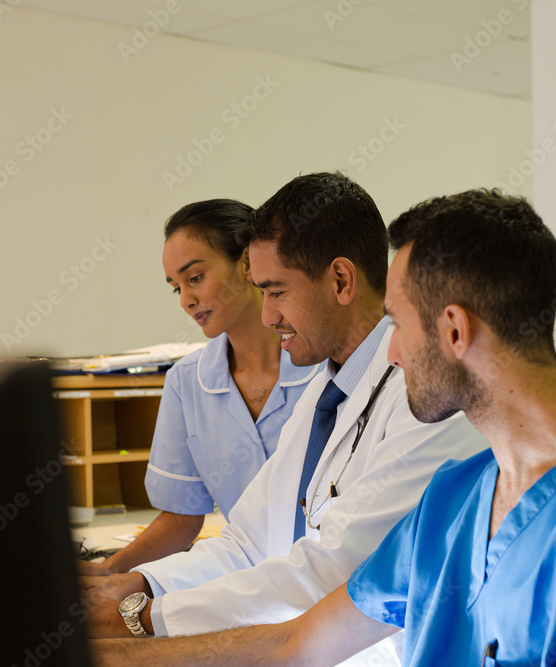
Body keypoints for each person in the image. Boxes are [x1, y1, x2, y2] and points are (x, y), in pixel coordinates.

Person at [89, 189, 556, 666]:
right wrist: (111, 648)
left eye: (399, 324)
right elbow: (299, 642)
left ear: (454, 330)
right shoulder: (456, 497)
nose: (389, 353)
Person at [82, 173, 486, 666]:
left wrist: (145, 619)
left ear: (340, 281)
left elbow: (333, 572)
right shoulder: (325, 391)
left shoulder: (424, 396)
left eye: (275, 292)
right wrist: (139, 585)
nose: (267, 316)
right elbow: (247, 545)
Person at [78, 199, 320, 576]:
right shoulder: (186, 380)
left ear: (247, 263)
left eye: (195, 278)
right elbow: (181, 517)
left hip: (328, 576)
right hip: (246, 581)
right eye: (176, 288)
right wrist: (108, 573)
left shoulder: (323, 366)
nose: (187, 301)